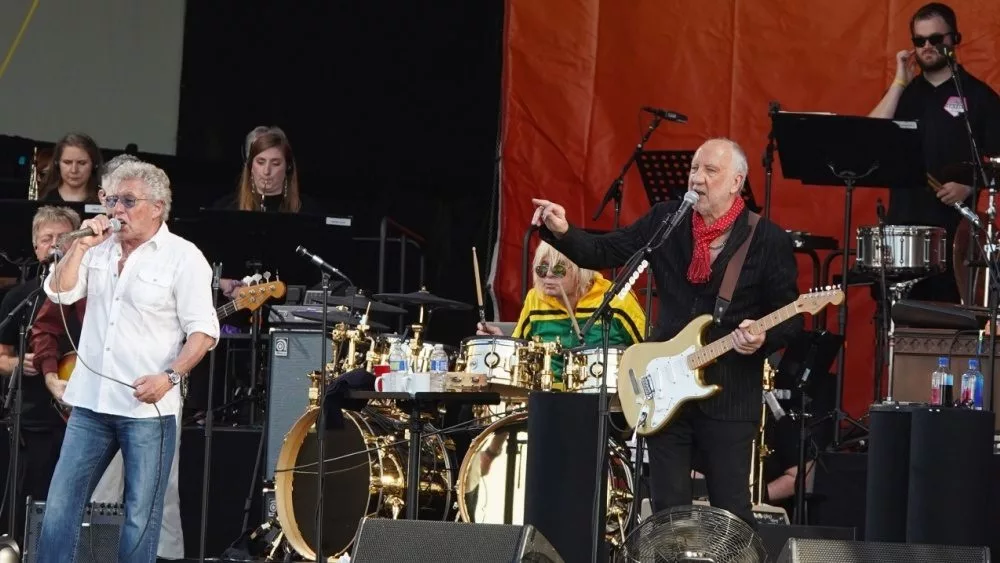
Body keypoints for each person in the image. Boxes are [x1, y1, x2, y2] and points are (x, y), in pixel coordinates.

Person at [531, 137, 802, 526]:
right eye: (695, 169)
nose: (698, 179)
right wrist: (562, 230)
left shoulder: (766, 238)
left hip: (729, 395)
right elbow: (605, 252)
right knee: (667, 512)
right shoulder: (666, 220)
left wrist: (763, 339)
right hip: (663, 389)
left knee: (732, 512)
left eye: (711, 171)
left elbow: (791, 317)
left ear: (736, 182)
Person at [36, 161, 219, 562]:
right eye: (113, 200)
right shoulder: (96, 249)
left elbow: (203, 332)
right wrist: (80, 247)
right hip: (90, 402)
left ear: (157, 206)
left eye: (129, 201)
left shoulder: (183, 257)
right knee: (61, 505)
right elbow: (61, 293)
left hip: (148, 409)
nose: (117, 210)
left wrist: (169, 377)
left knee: (140, 517)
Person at [868, 2, 1000, 303]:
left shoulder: (980, 97)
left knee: (949, 325)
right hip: (901, 234)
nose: (927, 46)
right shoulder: (906, 93)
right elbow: (870, 137)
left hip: (953, 236)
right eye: (919, 41)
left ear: (955, 39)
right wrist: (899, 81)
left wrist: (970, 185)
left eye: (936, 39)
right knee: (897, 325)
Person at [0, 206, 79, 541]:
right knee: (28, 497)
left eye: (63, 237)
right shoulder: (21, 296)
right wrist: (20, 364)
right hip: (32, 419)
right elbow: (1, 356)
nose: (55, 245)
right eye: (47, 239)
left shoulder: (92, 295)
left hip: (80, 418)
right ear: (36, 248)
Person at [477, 240, 647, 378]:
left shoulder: (616, 299)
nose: (548, 275)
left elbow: (649, 349)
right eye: (542, 268)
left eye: (558, 269)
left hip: (604, 398)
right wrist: (500, 342)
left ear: (581, 270)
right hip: (547, 395)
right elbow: (518, 352)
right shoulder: (535, 299)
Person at [37, 133, 104, 204]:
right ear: (57, 163)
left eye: (81, 163)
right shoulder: (44, 200)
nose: (74, 170)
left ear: (94, 164)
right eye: (67, 162)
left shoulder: (105, 200)